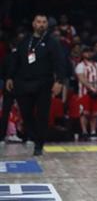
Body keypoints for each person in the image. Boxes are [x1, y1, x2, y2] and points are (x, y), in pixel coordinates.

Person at [5, 14, 67, 156]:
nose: (41, 24)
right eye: (38, 22)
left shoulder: (52, 42)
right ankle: (33, 136)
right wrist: (10, 77)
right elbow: (16, 59)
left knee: (42, 115)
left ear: (47, 25)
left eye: (44, 22)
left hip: (44, 83)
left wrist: (59, 81)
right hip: (24, 82)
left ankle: (39, 144)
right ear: (33, 24)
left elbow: (59, 62)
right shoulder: (25, 40)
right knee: (26, 113)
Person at [74, 44, 97, 140]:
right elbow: (82, 78)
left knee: (95, 113)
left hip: (96, 91)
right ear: (83, 54)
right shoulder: (80, 65)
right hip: (85, 93)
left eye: (90, 52)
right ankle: (84, 132)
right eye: (86, 52)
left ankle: (93, 131)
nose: (89, 54)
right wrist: (91, 88)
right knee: (84, 113)